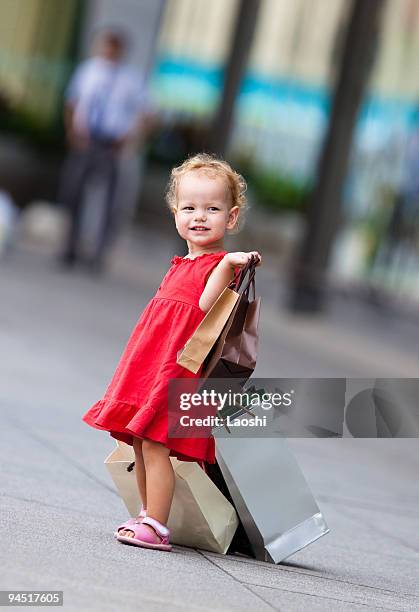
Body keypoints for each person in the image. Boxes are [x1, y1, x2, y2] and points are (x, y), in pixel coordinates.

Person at [81, 153, 262, 551]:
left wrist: (231, 264)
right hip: (151, 362)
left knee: (158, 443)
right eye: (190, 207)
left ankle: (156, 523)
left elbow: (205, 307)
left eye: (212, 209)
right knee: (142, 440)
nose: (200, 216)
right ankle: (147, 512)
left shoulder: (218, 264)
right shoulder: (181, 262)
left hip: (177, 367)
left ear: (230, 219)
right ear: (175, 212)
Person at [58, 27, 150, 272]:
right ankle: (70, 246)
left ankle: (98, 254)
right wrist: (72, 130)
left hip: (112, 144)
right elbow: (72, 102)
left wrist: (131, 140)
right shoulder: (88, 71)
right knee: (74, 193)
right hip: (85, 140)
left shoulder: (131, 79)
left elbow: (145, 113)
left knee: (109, 202)